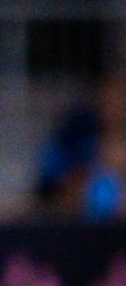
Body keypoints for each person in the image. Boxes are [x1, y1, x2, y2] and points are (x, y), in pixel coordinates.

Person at [36, 72, 126, 220]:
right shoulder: (72, 139)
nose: (113, 106)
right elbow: (50, 193)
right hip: (82, 229)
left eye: (118, 99)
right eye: (105, 99)